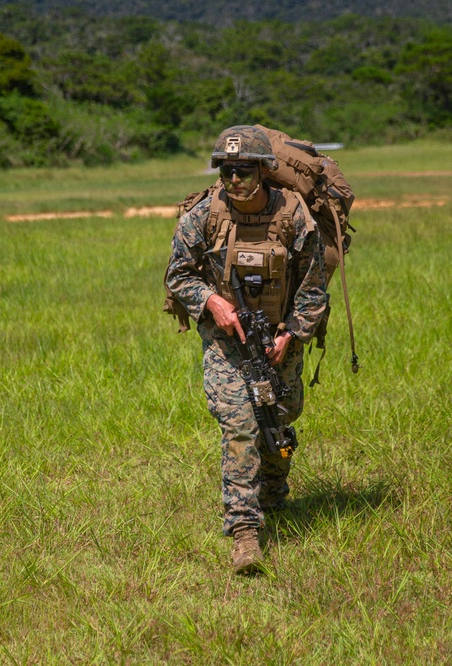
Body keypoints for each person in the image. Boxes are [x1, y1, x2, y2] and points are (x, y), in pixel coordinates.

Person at [164, 126, 329, 574]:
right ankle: (244, 532)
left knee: (280, 416)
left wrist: (291, 335)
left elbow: (314, 287)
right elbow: (177, 275)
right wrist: (211, 300)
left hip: (279, 336)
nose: (233, 181)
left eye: (242, 171)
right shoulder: (203, 215)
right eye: (226, 171)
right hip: (226, 341)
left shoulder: (294, 215)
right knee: (239, 425)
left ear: (263, 170)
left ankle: (274, 493)